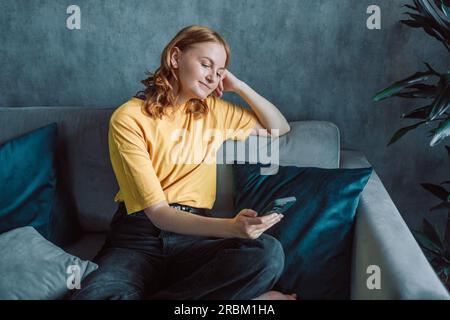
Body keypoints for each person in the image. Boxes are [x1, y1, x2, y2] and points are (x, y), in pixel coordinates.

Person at [69, 25, 296, 300]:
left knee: (267, 254)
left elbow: (278, 127)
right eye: (205, 65)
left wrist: (239, 86)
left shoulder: (215, 111)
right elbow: (159, 214)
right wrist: (231, 227)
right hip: (138, 238)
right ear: (176, 58)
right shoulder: (128, 118)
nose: (213, 77)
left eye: (220, 71)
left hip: (196, 239)